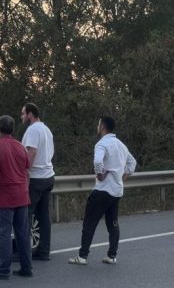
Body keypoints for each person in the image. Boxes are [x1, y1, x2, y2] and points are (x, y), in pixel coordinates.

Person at [68, 116, 136, 265]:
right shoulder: (121, 145)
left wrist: (100, 174)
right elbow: (132, 163)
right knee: (113, 224)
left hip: (102, 190)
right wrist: (122, 177)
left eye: (99, 124)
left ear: (103, 127)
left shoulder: (102, 144)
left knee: (89, 223)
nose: (97, 126)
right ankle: (112, 255)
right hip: (116, 191)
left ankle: (82, 256)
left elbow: (98, 161)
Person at [0, 115, 33, 280]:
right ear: (12, 129)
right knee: (23, 233)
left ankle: (3, 269)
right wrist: (25, 189)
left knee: (3, 233)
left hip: (5, 196)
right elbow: (27, 172)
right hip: (21, 195)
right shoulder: (20, 147)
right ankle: (27, 267)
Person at [20, 102, 55, 260]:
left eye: (23, 114)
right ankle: (43, 251)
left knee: (25, 215)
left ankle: (24, 252)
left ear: (30, 114)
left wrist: (24, 171)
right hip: (48, 176)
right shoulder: (46, 129)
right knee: (43, 216)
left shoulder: (33, 129)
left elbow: (31, 152)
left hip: (36, 177)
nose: (21, 117)